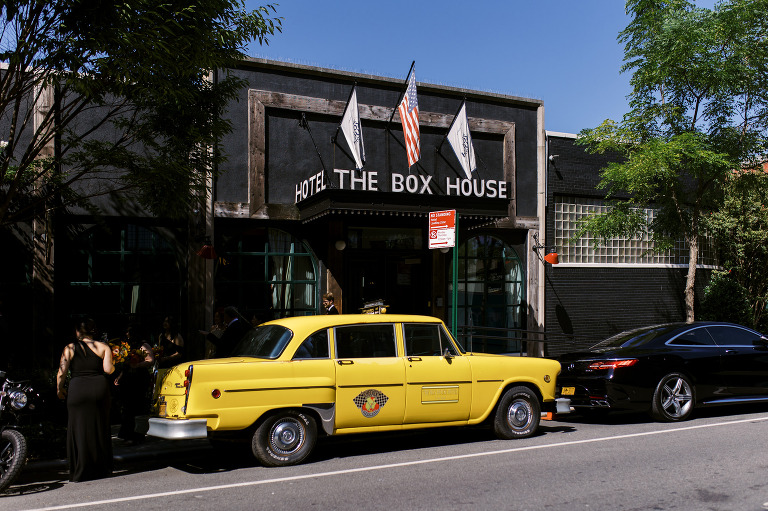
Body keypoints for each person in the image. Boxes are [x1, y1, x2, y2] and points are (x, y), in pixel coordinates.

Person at [56, 318, 114, 482]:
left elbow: (61, 372)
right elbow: (108, 370)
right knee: (99, 426)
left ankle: (81, 470)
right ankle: (101, 467)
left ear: (77, 332)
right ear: (93, 331)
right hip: (98, 388)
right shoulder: (103, 347)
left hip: (78, 389)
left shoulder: (69, 348)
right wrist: (116, 365)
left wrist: (59, 389)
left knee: (78, 428)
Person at [114, 326, 154, 444]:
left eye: (129, 332)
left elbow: (150, 360)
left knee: (136, 406)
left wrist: (138, 365)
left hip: (138, 378)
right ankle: (127, 432)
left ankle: (136, 434)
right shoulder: (127, 346)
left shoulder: (143, 345)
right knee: (127, 406)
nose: (127, 334)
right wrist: (120, 376)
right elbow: (125, 364)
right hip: (128, 378)